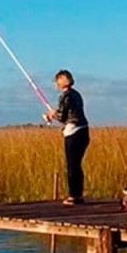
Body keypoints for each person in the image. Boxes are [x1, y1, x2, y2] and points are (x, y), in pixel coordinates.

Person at [44, 69, 90, 206]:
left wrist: (51, 114)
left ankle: (74, 196)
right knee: (76, 165)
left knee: (72, 165)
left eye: (61, 78)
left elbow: (62, 117)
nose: (59, 81)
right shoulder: (76, 94)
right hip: (84, 131)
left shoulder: (65, 96)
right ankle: (78, 195)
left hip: (74, 133)